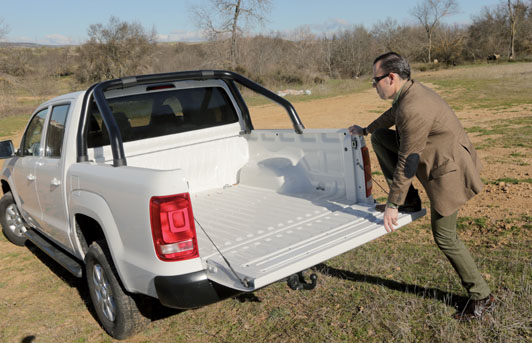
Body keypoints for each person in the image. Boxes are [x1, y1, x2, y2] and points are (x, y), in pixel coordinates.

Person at [349, 52, 494, 321]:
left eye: (375, 80)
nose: (374, 85)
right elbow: (393, 115)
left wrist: (392, 205)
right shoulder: (408, 94)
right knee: (381, 137)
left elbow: (408, 159)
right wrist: (367, 130)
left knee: (445, 236)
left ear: (390, 77)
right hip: (441, 157)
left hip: (449, 170)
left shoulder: (413, 107)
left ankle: (482, 297)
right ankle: (410, 201)